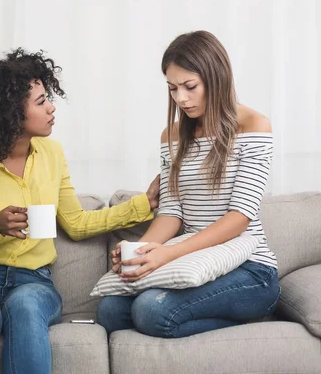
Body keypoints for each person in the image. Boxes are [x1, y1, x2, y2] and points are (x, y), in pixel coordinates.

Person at [0, 48, 159, 374]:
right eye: (41, 102)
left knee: (26, 308)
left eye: (47, 99)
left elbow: (77, 223)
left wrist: (144, 204)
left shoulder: (52, 154)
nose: (52, 107)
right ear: (9, 113)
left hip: (33, 280)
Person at [97, 30, 280, 338]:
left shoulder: (253, 126)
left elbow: (239, 218)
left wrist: (168, 254)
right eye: (173, 88)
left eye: (190, 86)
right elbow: (171, 212)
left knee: (150, 310)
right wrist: (142, 250)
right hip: (194, 261)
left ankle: (252, 316)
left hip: (250, 268)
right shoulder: (171, 135)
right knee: (110, 310)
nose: (180, 98)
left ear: (216, 77)